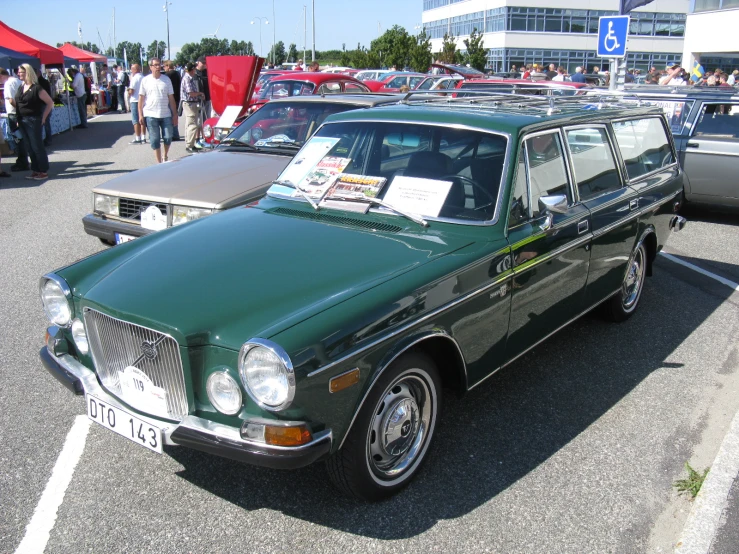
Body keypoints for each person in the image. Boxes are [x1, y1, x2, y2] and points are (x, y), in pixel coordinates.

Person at [14, 63, 54, 180]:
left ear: (27, 72)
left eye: (21, 72)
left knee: (37, 146)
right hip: (22, 120)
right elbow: (19, 104)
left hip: (33, 120)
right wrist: (18, 118)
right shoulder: (21, 87)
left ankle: (43, 170)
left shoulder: (37, 88)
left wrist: (43, 117)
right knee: (29, 146)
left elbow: (49, 102)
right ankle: (35, 169)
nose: (18, 74)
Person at [138, 57, 178, 163]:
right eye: (155, 65)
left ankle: (165, 155)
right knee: (155, 139)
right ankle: (159, 162)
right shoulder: (145, 80)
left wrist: (175, 114)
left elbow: (171, 98)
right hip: (150, 114)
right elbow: (141, 99)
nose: (158, 67)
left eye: (159, 65)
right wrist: (140, 115)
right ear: (150, 67)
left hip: (165, 113)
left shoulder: (166, 80)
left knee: (168, 137)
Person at [1, 68, 29, 171]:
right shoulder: (18, 81)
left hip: (14, 114)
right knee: (21, 138)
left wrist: (18, 111)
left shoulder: (8, 83)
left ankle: (22, 162)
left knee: (18, 139)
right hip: (19, 113)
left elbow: (12, 100)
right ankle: (23, 160)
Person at [180, 62, 205, 153]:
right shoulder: (187, 79)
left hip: (192, 103)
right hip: (189, 103)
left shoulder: (189, 78)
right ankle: (189, 145)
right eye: (194, 69)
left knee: (190, 124)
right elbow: (190, 93)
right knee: (192, 124)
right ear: (192, 70)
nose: (195, 71)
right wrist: (200, 93)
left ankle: (190, 143)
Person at [164, 60, 182, 141]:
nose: (164, 68)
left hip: (170, 98)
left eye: (164, 66)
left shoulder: (167, 75)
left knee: (170, 116)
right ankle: (176, 133)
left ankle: (172, 134)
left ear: (168, 66)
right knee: (175, 116)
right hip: (177, 97)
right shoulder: (177, 73)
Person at [127, 64, 145, 144]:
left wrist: (128, 93)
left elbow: (131, 91)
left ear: (135, 70)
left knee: (135, 120)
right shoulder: (143, 77)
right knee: (142, 119)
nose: (131, 71)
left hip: (135, 100)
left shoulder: (135, 78)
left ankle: (138, 137)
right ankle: (143, 136)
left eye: (132, 69)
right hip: (143, 100)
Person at [36, 69, 53, 146]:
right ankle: (48, 138)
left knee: (44, 122)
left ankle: (46, 139)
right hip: (45, 103)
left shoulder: (39, 83)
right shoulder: (45, 81)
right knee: (46, 122)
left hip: (43, 104)